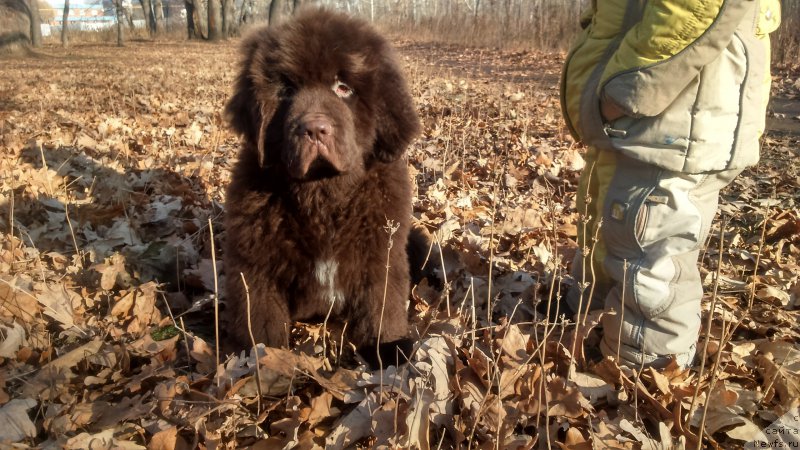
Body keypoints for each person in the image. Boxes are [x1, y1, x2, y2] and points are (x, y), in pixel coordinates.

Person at [557, 0, 781, 369]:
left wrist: (626, 88)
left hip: (672, 115)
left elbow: (697, 7)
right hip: (642, 118)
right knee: (604, 227)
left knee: (648, 254)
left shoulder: (633, 96)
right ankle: (585, 331)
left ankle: (643, 378)